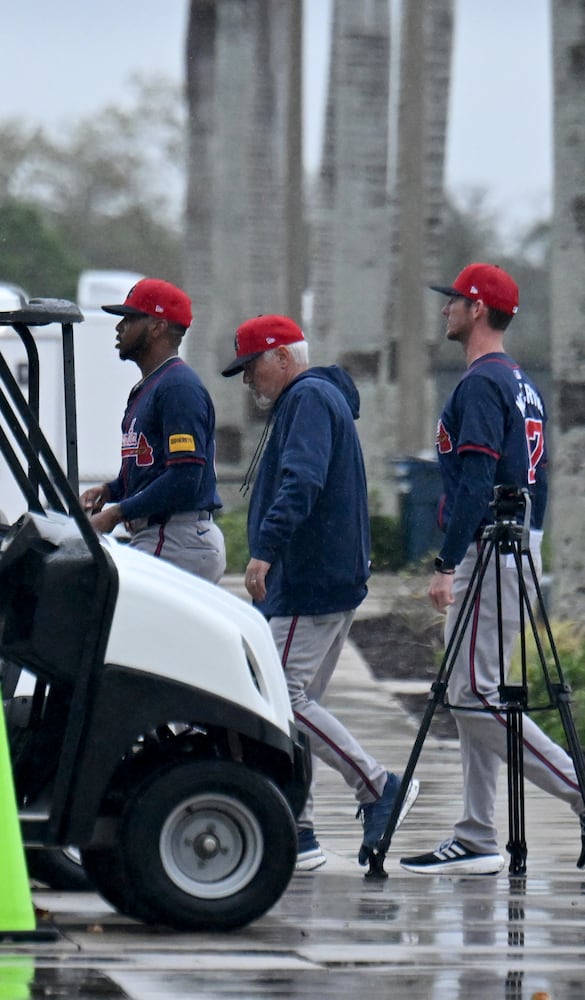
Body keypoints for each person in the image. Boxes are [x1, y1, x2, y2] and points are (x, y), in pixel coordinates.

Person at [400, 262, 584, 875]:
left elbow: (477, 480)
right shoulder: (518, 381)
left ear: (478, 309)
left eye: (453, 300)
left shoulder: (481, 383)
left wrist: (447, 562)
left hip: (491, 546)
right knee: (475, 691)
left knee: (473, 695)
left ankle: (577, 791)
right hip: (512, 541)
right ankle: (477, 833)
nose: (445, 308)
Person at [222, 313, 418, 871]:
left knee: (281, 699)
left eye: (252, 367)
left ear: (282, 357)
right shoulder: (315, 398)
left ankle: (377, 786)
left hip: (307, 580)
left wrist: (265, 550)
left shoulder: (307, 399)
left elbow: (302, 480)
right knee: (298, 705)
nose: (248, 381)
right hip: (328, 578)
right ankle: (300, 830)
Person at [79, 277, 225, 582]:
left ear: (157, 327)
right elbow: (151, 469)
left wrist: (118, 512)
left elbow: (185, 475)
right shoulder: (154, 385)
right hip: (165, 534)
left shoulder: (178, 387)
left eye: (130, 319)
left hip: (175, 536)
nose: (120, 328)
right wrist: (111, 490)